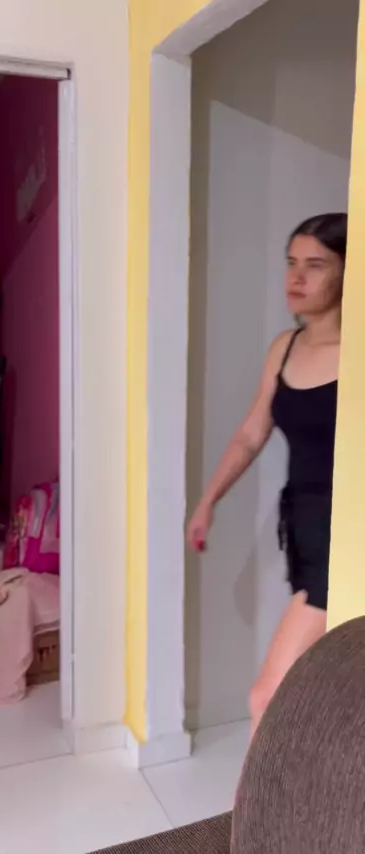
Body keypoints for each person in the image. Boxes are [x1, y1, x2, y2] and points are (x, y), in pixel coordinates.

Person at [187, 212, 346, 738]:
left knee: (268, 695)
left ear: (348, 273)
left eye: (315, 265)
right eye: (291, 263)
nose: (296, 277)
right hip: (306, 529)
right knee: (329, 690)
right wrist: (208, 501)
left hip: (348, 538)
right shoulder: (286, 347)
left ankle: (258, 795)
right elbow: (252, 433)